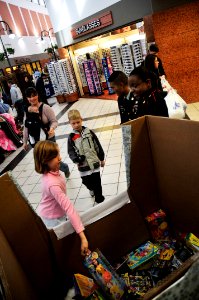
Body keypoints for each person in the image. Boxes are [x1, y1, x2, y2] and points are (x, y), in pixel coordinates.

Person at [33, 140, 88, 255]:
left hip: (57, 213)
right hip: (52, 219)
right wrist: (83, 237)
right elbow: (69, 208)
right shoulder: (52, 184)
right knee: (62, 243)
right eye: (55, 156)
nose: (60, 158)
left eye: (58, 154)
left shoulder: (54, 171)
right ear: (45, 161)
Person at [23, 87, 70, 177]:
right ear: (27, 98)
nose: (32, 98)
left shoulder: (45, 107)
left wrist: (51, 128)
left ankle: (64, 167)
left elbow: (54, 121)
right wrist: (24, 141)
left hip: (49, 138)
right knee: (44, 160)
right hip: (36, 141)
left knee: (52, 159)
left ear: (37, 95)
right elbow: (26, 127)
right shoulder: (27, 111)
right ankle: (52, 176)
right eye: (29, 96)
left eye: (34, 95)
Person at [68, 109, 105, 203]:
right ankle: (91, 189)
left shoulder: (89, 132)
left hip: (94, 162)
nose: (76, 125)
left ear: (81, 119)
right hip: (83, 165)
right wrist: (76, 159)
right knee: (86, 182)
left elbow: (97, 145)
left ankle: (99, 198)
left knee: (97, 182)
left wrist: (101, 158)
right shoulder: (71, 137)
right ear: (70, 123)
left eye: (78, 122)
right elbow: (70, 151)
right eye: (73, 123)